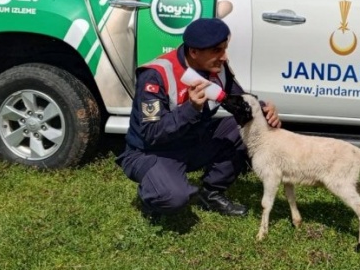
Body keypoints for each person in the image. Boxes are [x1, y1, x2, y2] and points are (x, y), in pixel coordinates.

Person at [116, 18, 281, 219]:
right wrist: (191, 108)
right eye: (217, 51)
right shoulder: (155, 75)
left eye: (225, 49)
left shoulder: (217, 68)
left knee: (249, 124)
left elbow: (237, 101)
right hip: (152, 152)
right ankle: (152, 193)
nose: (224, 56)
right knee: (174, 197)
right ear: (194, 52)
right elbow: (152, 134)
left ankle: (211, 193)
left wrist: (264, 110)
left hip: (191, 141)